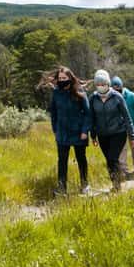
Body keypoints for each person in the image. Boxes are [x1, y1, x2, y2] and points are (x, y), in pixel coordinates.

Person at [46, 66, 91, 195]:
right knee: (62, 161)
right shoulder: (56, 93)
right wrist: (55, 129)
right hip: (62, 133)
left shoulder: (79, 91)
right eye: (59, 78)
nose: (61, 80)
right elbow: (53, 113)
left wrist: (84, 131)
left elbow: (88, 113)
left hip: (78, 132)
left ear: (70, 78)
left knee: (81, 158)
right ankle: (62, 188)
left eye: (64, 78)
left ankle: (84, 184)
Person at [89, 69, 134, 191]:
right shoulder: (93, 98)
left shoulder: (117, 97)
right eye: (98, 85)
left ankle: (117, 186)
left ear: (108, 84)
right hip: (102, 134)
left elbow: (127, 117)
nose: (100, 87)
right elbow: (92, 118)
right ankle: (115, 180)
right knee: (109, 160)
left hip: (118, 133)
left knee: (113, 158)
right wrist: (93, 136)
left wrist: (132, 136)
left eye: (103, 84)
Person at [111, 76, 134, 178]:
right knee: (122, 149)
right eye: (114, 89)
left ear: (122, 86)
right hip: (120, 129)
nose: (117, 91)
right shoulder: (112, 97)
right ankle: (124, 171)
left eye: (118, 89)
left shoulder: (131, 96)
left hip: (133, 128)